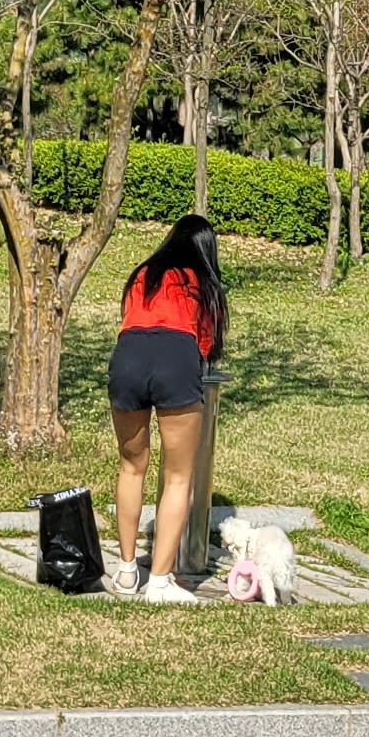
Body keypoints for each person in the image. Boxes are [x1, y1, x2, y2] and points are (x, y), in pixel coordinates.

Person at [108, 213, 227, 602]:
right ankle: (159, 582)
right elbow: (205, 343)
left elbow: (129, 319)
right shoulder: (201, 281)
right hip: (175, 356)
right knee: (178, 477)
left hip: (128, 355)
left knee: (131, 466)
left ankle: (127, 572)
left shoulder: (143, 274)